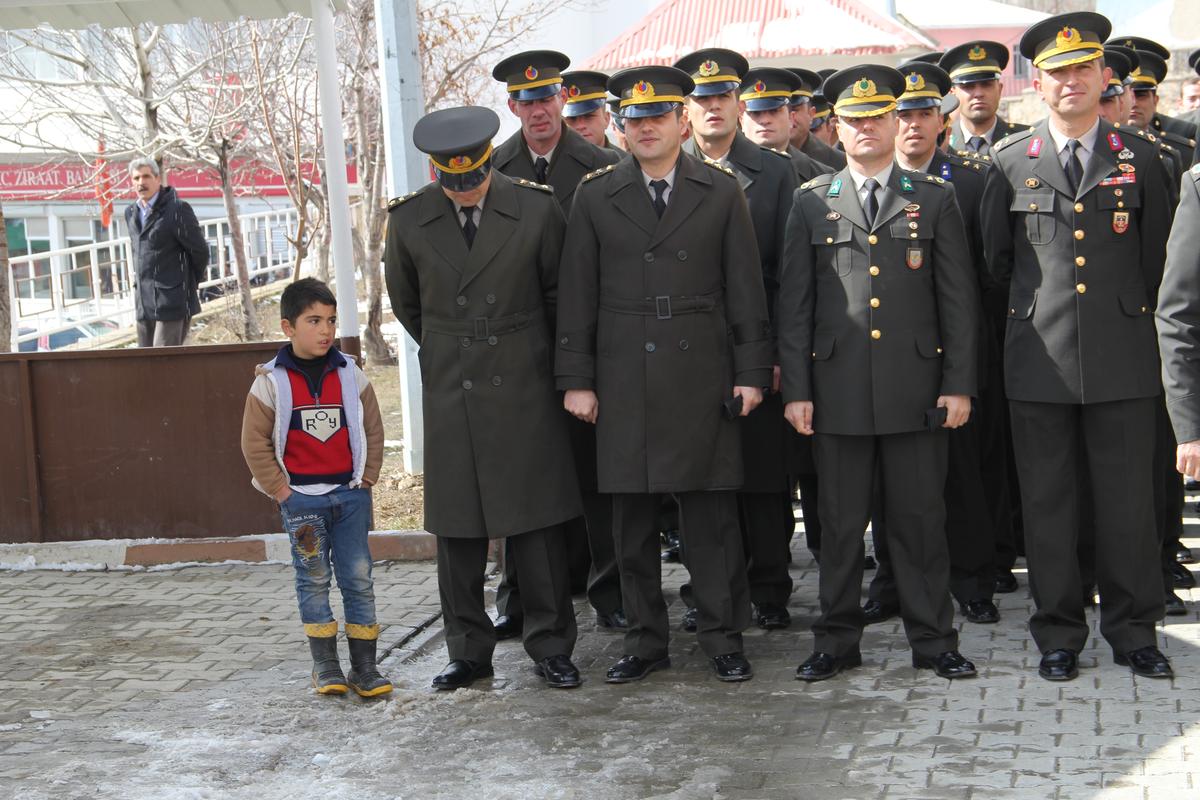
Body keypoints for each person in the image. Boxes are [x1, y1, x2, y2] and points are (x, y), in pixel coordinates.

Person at [556, 65, 772, 684]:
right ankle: (645, 639)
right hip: (623, 374)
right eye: (635, 119)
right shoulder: (595, 195)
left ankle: (722, 636)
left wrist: (752, 370)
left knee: (710, 520)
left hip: (701, 370)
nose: (646, 128)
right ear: (621, 128)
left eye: (658, 117)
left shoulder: (721, 189)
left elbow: (745, 290)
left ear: (683, 122)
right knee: (630, 525)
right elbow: (577, 294)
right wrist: (578, 379)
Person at [979, 12, 1174, 681]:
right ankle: (1058, 633)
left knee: (1128, 504)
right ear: (1039, 84)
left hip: (1124, 359)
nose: (1070, 82)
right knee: (1049, 505)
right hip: (1039, 363)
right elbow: (996, 267)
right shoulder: (1008, 162)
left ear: (1102, 77)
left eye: (1081, 69)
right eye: (1057, 73)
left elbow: (1159, 268)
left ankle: (1133, 629)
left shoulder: (1143, 159)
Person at [780, 65, 981, 682]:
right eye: (853, 120)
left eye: (877, 117)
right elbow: (795, 306)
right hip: (837, 393)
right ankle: (836, 641)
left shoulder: (934, 198)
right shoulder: (812, 201)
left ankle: (933, 638)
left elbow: (958, 301)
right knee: (838, 529)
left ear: (898, 122)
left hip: (916, 389)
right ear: (835, 128)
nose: (866, 128)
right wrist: (797, 391)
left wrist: (958, 383)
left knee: (921, 522)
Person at [384, 106, 583, 690]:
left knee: (538, 524)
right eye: (454, 181)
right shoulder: (409, 220)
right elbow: (408, 304)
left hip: (524, 379)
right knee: (459, 529)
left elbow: (558, 294)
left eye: (474, 178)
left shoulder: (537, 208)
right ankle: (468, 652)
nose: (466, 192)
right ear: (436, 172)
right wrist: (456, 347)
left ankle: (551, 646)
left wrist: (534, 357)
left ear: (490, 163)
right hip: (454, 386)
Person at [490, 50, 624, 640]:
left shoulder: (604, 165)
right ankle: (516, 597)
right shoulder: (492, 168)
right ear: (512, 107)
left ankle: (611, 592)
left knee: (600, 479)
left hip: (592, 349)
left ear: (563, 99)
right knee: (522, 480)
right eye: (526, 100)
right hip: (520, 354)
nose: (538, 109)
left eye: (547, 97)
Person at [863, 60, 1002, 627]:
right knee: (887, 480)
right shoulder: (867, 182)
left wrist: (965, 364)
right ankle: (891, 579)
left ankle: (972, 577)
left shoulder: (971, 179)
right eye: (905, 114)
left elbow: (990, 274)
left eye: (924, 113)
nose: (914, 124)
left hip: (956, 351)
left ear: (942, 120)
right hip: (890, 358)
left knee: (963, 470)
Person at [674, 49, 800, 631]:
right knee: (704, 473)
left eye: (721, 97)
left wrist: (772, 352)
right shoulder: (668, 169)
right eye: (701, 100)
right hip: (692, 350)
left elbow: (790, 275)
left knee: (762, 473)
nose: (712, 108)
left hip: (756, 343)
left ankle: (770, 587)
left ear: (739, 102)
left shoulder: (777, 172)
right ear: (687, 111)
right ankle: (715, 586)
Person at [240, 278, 391, 698]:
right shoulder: (270, 382)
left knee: (358, 577)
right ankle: (326, 666)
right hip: (302, 501)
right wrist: (282, 491)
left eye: (330, 320)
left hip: (350, 496)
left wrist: (369, 477)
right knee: (313, 577)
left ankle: (365, 668)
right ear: (288, 327)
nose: (325, 330)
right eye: (313, 320)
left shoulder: (350, 375)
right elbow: (253, 442)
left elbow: (373, 428)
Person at [125, 157, 209, 347]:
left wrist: (186, 285)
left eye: (146, 176)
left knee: (165, 365)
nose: (141, 182)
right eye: (136, 178)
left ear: (157, 178)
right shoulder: (131, 213)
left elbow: (200, 252)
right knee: (144, 367)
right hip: (144, 303)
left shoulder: (177, 210)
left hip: (172, 303)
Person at [939, 41, 1030, 157]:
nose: (979, 93)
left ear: (1000, 89)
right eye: (968, 86)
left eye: (986, 84)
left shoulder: (1025, 140)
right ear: (953, 93)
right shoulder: (940, 143)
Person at [1121, 46, 1197, 168]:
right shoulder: (1094, 148)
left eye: (1141, 95)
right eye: (1127, 95)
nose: (1134, 103)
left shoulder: (1182, 151)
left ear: (1155, 101)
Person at [562, 70, 617, 149]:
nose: (580, 126)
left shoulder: (624, 160)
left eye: (588, 116)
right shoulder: (550, 160)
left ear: (606, 119)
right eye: (572, 118)